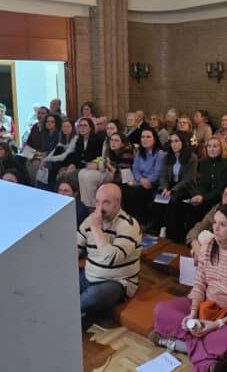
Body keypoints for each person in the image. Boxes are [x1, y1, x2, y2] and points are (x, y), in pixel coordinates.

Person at [151, 205, 227, 372]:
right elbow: (200, 283)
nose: (216, 228)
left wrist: (217, 324)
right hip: (205, 306)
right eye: (214, 222)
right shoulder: (208, 247)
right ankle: (207, 356)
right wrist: (193, 313)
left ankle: (180, 345)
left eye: (222, 224)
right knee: (161, 310)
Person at [77, 184, 142, 327]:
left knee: (90, 297)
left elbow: (111, 258)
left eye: (106, 202)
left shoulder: (129, 225)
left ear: (117, 204)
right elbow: (75, 248)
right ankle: (84, 315)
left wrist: (96, 228)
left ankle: (71, 316)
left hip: (117, 282)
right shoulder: (89, 220)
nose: (99, 208)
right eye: (97, 202)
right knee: (61, 282)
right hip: (90, 276)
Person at [176, 137, 227, 241]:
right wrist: (198, 194)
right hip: (205, 196)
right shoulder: (204, 162)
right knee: (184, 204)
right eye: (209, 146)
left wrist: (203, 197)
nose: (211, 149)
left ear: (222, 148)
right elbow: (203, 184)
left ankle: (198, 239)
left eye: (215, 146)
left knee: (201, 211)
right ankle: (185, 238)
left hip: (220, 199)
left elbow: (222, 189)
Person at [186, 185, 227, 257]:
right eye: (225, 194)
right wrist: (194, 243)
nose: (226, 199)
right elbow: (199, 227)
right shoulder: (218, 208)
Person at [157, 131, 198, 242]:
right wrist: (165, 188)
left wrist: (172, 190)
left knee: (174, 199)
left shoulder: (192, 157)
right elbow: (163, 175)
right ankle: (162, 226)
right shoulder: (167, 156)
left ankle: (172, 232)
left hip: (186, 187)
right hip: (170, 185)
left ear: (183, 142)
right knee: (157, 197)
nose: (173, 144)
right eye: (171, 142)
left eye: (176, 141)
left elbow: (188, 179)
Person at [79, 132, 135, 208]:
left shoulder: (127, 153)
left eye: (116, 141)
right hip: (113, 174)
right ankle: (86, 205)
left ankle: (93, 205)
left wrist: (107, 166)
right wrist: (103, 165)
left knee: (89, 176)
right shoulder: (112, 150)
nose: (113, 142)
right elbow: (106, 162)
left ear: (123, 144)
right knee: (82, 173)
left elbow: (122, 175)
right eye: (111, 140)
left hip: (125, 180)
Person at [124, 129, 165, 226]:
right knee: (125, 189)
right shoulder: (139, 152)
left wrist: (145, 181)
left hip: (154, 183)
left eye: (148, 137)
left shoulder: (160, 154)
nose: (145, 139)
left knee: (139, 192)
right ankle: (129, 219)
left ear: (154, 139)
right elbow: (135, 168)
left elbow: (157, 174)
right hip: (141, 181)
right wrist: (141, 180)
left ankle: (142, 222)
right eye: (143, 137)